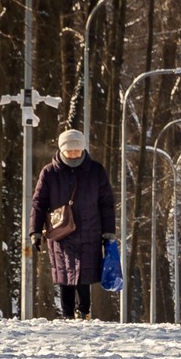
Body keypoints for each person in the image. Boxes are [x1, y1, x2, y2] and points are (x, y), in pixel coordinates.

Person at [30, 129, 116, 320]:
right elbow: (39, 202)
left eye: (77, 150)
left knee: (84, 274)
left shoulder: (95, 171)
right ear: (62, 150)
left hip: (90, 230)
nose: (74, 154)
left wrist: (109, 231)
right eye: (70, 151)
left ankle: (84, 310)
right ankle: (68, 314)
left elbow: (106, 203)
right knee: (65, 275)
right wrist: (35, 231)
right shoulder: (50, 173)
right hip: (61, 232)